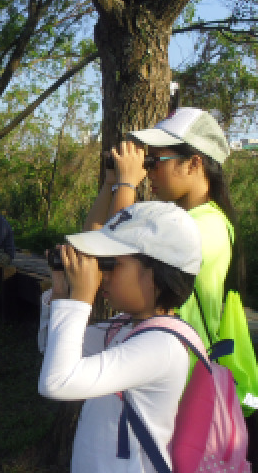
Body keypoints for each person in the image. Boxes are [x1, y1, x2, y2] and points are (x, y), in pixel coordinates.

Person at [38, 201, 202, 472]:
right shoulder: (124, 327)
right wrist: (60, 293)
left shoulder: (162, 345)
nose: (102, 276)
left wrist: (79, 299)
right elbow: (52, 348)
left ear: (157, 275)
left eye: (111, 264)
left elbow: (57, 383)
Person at [84, 107, 235, 350]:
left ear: (193, 163)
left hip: (182, 361)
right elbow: (94, 246)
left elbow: (119, 251)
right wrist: (111, 182)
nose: (148, 172)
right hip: (151, 347)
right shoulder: (171, 219)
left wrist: (126, 183)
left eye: (154, 161)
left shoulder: (209, 224)